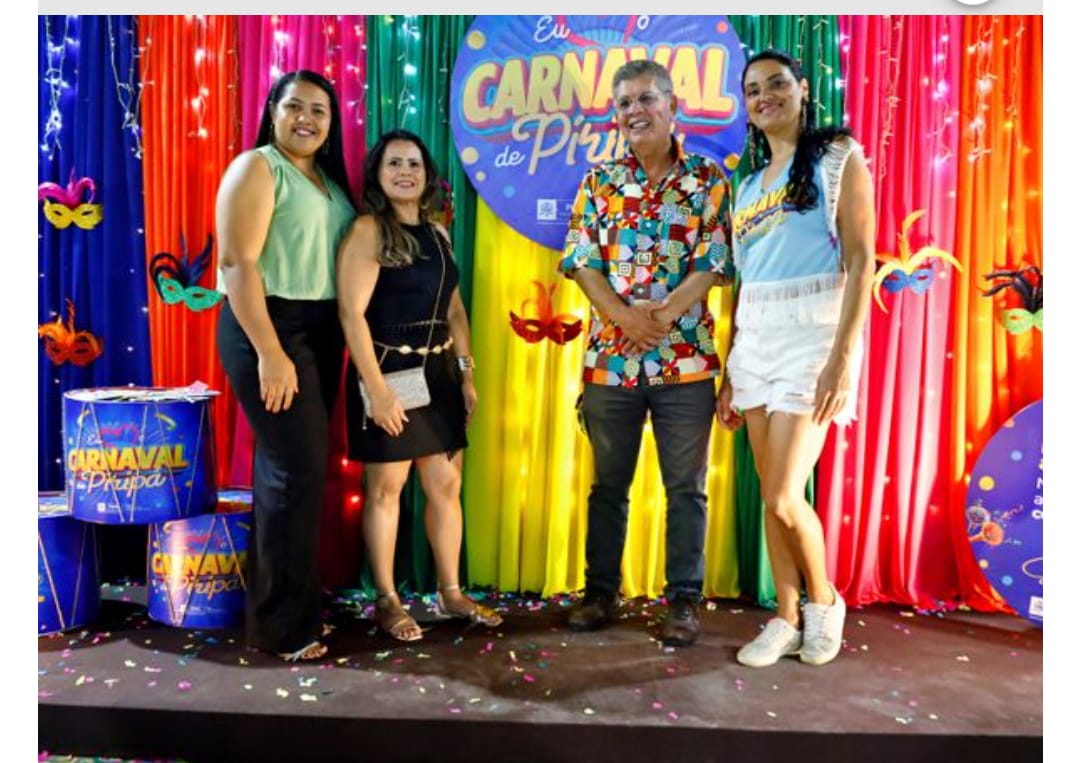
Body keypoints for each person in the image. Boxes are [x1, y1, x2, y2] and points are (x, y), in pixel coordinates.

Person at [559, 60, 734, 647]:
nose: (635, 111)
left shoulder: (707, 179)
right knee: (608, 486)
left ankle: (683, 600)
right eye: (625, 103)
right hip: (611, 362)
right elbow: (581, 261)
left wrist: (656, 320)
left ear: (672, 106)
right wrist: (623, 318)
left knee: (686, 489)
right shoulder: (599, 181)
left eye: (646, 99)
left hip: (685, 361)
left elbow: (713, 262)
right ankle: (599, 593)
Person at [718, 49, 875, 668]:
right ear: (746, 107)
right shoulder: (747, 186)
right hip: (754, 340)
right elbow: (744, 280)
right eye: (754, 90)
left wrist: (841, 358)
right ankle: (785, 618)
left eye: (777, 83)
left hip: (812, 335)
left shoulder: (837, 156)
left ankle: (824, 600)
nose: (766, 96)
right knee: (769, 494)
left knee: (786, 494)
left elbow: (861, 259)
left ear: (802, 89)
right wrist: (729, 369)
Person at [337, 129, 502, 642]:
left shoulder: (439, 233)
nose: (405, 172)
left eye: (413, 163)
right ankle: (387, 601)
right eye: (394, 163)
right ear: (378, 174)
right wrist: (377, 391)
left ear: (427, 175)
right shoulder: (368, 230)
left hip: (440, 375)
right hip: (390, 372)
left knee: (446, 487)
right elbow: (351, 314)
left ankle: (450, 592)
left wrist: (467, 373)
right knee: (386, 491)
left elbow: (455, 311)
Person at [215, 70, 357, 663]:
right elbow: (236, 263)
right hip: (269, 324)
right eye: (294, 106)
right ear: (272, 110)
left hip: (319, 330)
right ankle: (281, 627)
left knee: (300, 472)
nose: (307, 118)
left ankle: (295, 603)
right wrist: (271, 352)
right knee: (292, 472)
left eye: (319, 110)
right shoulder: (257, 167)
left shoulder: (328, 182)